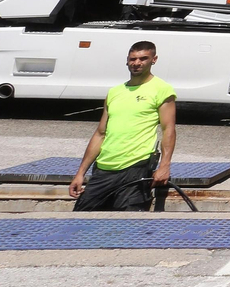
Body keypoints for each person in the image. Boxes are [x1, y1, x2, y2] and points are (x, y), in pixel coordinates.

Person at [69, 41, 176, 211]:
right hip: (104, 168)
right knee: (80, 220)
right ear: (127, 60)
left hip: (135, 167)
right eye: (133, 59)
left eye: (143, 58)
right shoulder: (114, 92)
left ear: (154, 60)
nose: (137, 63)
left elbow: (168, 129)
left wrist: (164, 165)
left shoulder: (161, 89)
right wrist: (80, 173)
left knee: (127, 225)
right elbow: (100, 134)